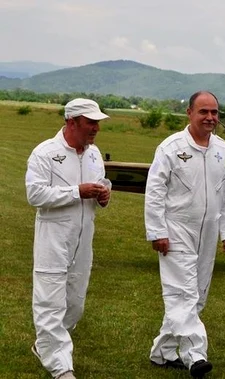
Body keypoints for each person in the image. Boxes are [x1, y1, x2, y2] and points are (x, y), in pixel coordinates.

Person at [144, 90, 225, 378]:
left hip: (209, 230)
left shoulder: (222, 149)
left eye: (214, 112)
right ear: (189, 113)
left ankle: (162, 352)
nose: (210, 117)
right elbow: (154, 192)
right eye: (203, 112)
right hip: (176, 230)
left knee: (196, 295)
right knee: (181, 292)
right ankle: (195, 354)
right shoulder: (171, 148)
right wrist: (157, 231)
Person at [26, 98, 111, 379]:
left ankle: (46, 344)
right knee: (50, 301)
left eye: (98, 122)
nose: (96, 128)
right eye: (91, 122)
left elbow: (100, 185)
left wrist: (103, 195)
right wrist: (77, 191)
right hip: (53, 237)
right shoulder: (45, 153)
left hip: (83, 239)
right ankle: (62, 368)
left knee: (75, 303)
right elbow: (35, 195)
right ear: (72, 122)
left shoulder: (94, 154)